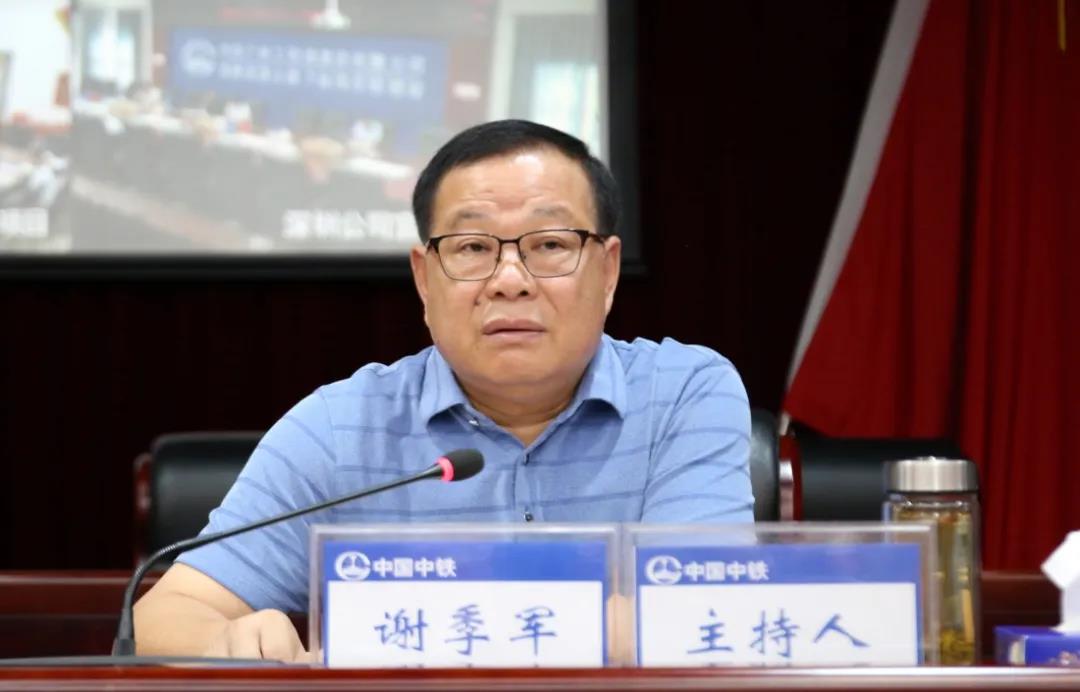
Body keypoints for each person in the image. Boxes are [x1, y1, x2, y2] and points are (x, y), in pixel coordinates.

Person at [133, 119, 754, 661]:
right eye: (473, 247)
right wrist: (232, 643)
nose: (510, 280)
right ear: (425, 279)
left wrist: (407, 634)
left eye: (549, 245)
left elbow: (695, 608)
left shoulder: (683, 394)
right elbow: (167, 613)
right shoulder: (340, 427)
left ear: (608, 270)